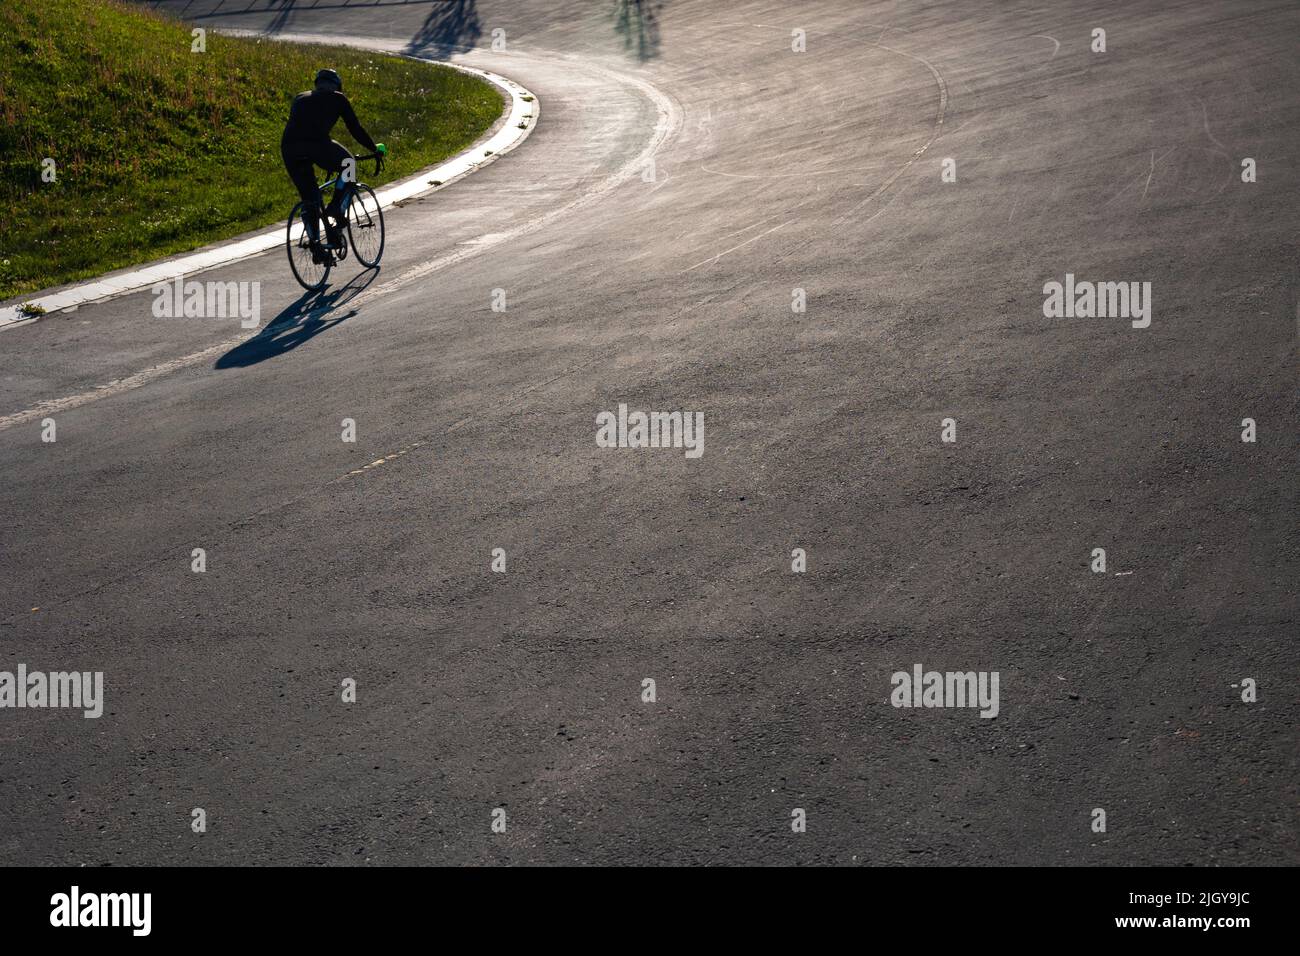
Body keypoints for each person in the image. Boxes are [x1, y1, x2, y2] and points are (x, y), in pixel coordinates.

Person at [281, 69, 385, 258]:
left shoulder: (299, 97)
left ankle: (318, 246)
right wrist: (374, 149)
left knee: (311, 197)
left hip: (290, 149)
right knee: (349, 164)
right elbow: (355, 128)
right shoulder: (338, 98)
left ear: (317, 84)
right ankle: (337, 206)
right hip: (317, 145)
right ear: (337, 86)